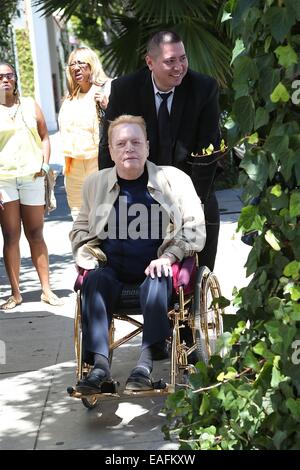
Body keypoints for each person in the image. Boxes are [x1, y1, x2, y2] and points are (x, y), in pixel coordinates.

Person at [70, 115, 206, 393]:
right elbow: (80, 228)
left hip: (156, 265)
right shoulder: (95, 184)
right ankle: (99, 368)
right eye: (121, 143)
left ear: (147, 147)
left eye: (135, 142)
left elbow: (194, 228)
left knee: (158, 278)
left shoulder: (174, 180)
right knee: (94, 282)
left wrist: (169, 257)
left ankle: (143, 366)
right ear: (111, 150)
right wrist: (90, 256)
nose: (128, 149)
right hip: (112, 268)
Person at [99, 30, 221, 272]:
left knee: (205, 222)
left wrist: (191, 202)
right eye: (170, 61)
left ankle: (197, 298)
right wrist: (111, 192)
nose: (179, 67)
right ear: (150, 62)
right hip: (138, 189)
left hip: (191, 186)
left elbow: (208, 151)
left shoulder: (204, 88)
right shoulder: (125, 89)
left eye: (183, 58)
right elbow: (108, 147)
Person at [0, 62, 63, 309]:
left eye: (9, 75)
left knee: (36, 234)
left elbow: (45, 136)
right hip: (4, 179)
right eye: (0, 77)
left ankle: (46, 290)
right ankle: (16, 294)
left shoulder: (29, 105)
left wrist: (45, 166)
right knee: (11, 236)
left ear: (15, 78)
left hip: (33, 177)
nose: (5, 80)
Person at [58, 47, 112, 220]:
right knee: (78, 217)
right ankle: (83, 247)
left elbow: (122, 123)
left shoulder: (106, 89)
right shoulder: (69, 98)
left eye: (81, 63)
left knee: (102, 215)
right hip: (72, 164)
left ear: (92, 64)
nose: (76, 68)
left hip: (97, 162)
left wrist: (107, 106)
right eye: (72, 64)